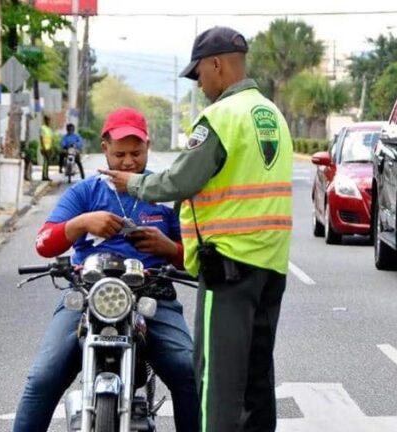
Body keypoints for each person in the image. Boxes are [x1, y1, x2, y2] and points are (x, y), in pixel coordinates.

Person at [102, 27, 293, 432]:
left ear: (216, 64)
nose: (200, 85)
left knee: (217, 384)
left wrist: (132, 184)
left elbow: (180, 181)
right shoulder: (272, 115)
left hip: (228, 267)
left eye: (199, 74)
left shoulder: (221, 117)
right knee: (256, 379)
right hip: (271, 266)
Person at [13, 107, 199, 432]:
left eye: (136, 154)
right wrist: (81, 223)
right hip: (88, 295)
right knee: (43, 377)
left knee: (189, 371)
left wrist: (167, 248)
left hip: (153, 296)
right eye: (119, 154)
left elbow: (194, 260)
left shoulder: (167, 195)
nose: (128, 162)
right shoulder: (85, 192)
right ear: (104, 150)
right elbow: (44, 243)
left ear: (148, 147)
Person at [40, 115, 54, 181]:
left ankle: (46, 176)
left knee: (47, 163)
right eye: (47, 120)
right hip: (44, 148)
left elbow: (51, 139)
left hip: (49, 148)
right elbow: (41, 138)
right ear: (45, 120)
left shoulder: (50, 129)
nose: (49, 121)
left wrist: (51, 148)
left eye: (49, 120)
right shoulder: (42, 128)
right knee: (45, 162)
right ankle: (44, 176)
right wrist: (44, 148)